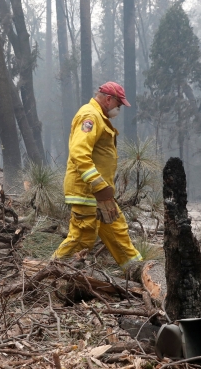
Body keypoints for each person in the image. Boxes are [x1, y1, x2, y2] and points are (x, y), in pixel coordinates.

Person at [52, 81, 142, 268]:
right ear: (109, 99)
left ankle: (138, 270)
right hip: (87, 192)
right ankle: (48, 275)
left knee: (118, 233)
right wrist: (98, 184)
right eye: (118, 105)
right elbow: (79, 152)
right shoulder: (89, 116)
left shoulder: (99, 117)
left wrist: (103, 189)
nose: (118, 109)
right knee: (81, 239)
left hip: (101, 194)